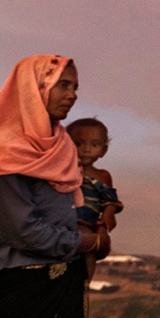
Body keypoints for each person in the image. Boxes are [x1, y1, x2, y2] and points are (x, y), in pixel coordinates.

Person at [0, 55, 109, 318]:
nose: (72, 94)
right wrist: (87, 240)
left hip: (66, 281)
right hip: (23, 286)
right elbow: (23, 232)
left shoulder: (61, 146)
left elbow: (60, 214)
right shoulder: (2, 149)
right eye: (63, 84)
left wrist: (87, 233)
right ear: (35, 87)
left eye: (75, 87)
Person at [66, 117, 123, 278]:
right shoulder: (63, 171)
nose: (86, 150)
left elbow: (110, 200)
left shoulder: (102, 176)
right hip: (65, 221)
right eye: (79, 144)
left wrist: (108, 215)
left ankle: (84, 284)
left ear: (103, 150)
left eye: (94, 145)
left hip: (89, 223)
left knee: (91, 251)